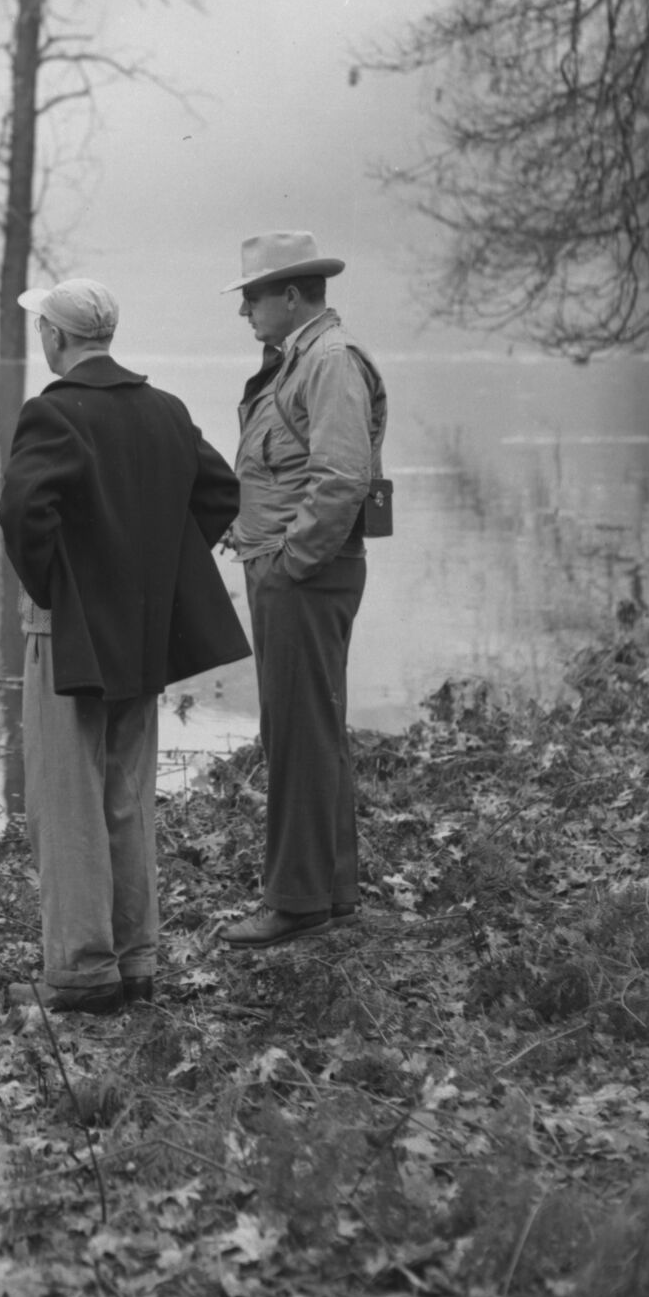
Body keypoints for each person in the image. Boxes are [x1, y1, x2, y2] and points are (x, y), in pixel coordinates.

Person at [0, 278, 249, 1014]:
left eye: (42, 327)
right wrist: (147, 576)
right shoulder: (165, 410)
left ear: (55, 338)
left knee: (66, 799)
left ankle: (79, 970)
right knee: (129, 794)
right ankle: (136, 959)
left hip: (69, 629)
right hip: (141, 630)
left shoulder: (52, 412)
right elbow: (218, 494)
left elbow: (22, 511)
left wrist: (61, 585)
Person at [219, 231, 387, 949]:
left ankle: (295, 902)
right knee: (310, 730)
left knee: (296, 735)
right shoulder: (304, 359)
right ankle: (332, 890)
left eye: (253, 297)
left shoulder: (328, 362)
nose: (245, 313)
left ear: (291, 296)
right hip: (296, 572)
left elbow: (343, 477)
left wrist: (289, 561)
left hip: (304, 578)